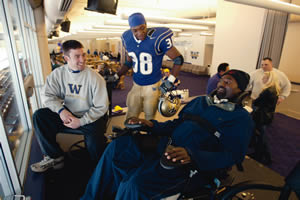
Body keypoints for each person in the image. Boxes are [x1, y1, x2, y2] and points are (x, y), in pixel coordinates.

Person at [80, 69, 254, 200]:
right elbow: (176, 124)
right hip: (164, 146)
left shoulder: (240, 118)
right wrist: (150, 125)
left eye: (228, 82)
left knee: (134, 184)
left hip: (191, 164)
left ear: (241, 91)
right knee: (116, 148)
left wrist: (193, 155)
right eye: (221, 81)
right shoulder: (200, 102)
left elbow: (233, 155)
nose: (221, 84)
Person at [31, 40, 109, 173]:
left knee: (95, 149)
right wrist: (61, 111)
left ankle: (99, 168)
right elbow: (48, 96)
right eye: (77, 56)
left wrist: (81, 121)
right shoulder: (58, 74)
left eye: (83, 55)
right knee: (40, 116)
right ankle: (55, 156)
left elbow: (101, 107)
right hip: (69, 114)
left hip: (91, 117)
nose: (82, 60)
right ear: (66, 58)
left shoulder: (95, 78)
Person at [114, 12, 183, 120]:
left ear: (146, 24)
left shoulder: (157, 37)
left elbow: (178, 59)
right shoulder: (127, 38)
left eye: (142, 28)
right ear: (131, 29)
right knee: (131, 111)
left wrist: (170, 80)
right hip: (136, 84)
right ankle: (130, 135)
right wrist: (116, 75)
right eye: (135, 30)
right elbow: (129, 62)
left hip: (153, 85)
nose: (140, 33)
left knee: (149, 115)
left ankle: (149, 136)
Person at [250, 70, 281, 165]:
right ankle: (263, 155)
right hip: (268, 115)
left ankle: (263, 156)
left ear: (269, 79)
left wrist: (255, 100)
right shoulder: (275, 89)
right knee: (261, 135)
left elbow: (256, 103)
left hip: (261, 116)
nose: (262, 78)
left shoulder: (267, 91)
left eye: (264, 77)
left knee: (261, 136)